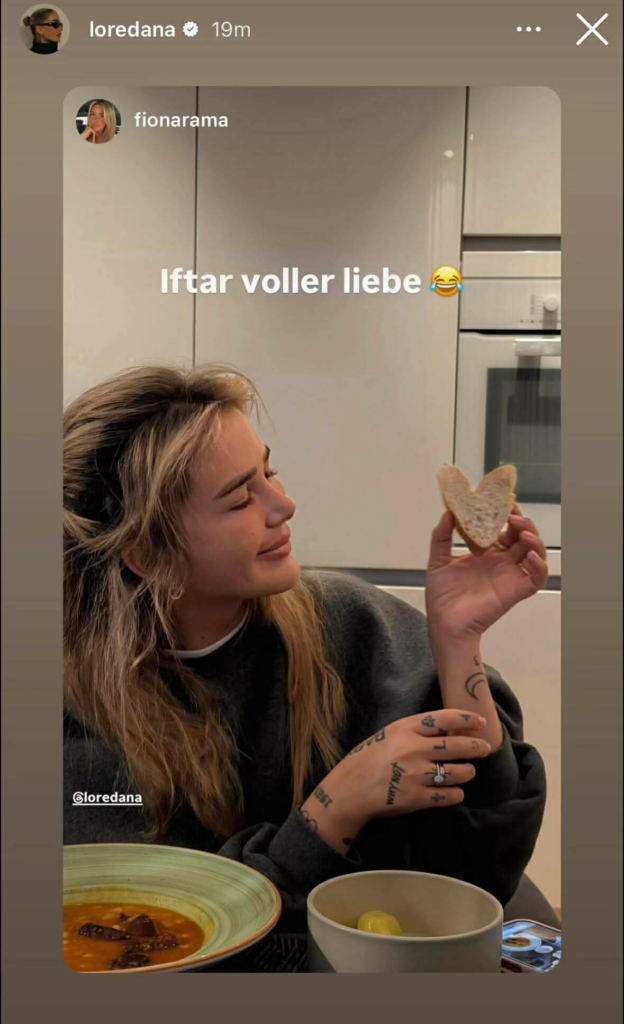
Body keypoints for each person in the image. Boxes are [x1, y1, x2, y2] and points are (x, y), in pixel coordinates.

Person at [63, 364, 549, 933]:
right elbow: (152, 929)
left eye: (269, 473)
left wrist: (458, 645)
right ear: (149, 555)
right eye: (240, 498)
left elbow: (483, 867)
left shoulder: (354, 623)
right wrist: (335, 807)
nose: (283, 505)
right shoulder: (79, 717)